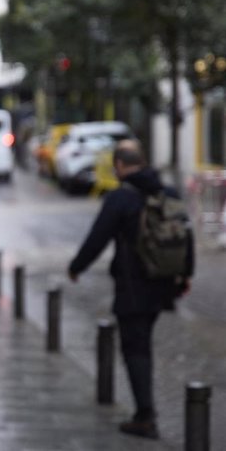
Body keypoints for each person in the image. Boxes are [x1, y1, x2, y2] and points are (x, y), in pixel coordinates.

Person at [67, 140, 193, 440]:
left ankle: (145, 416)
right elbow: (184, 234)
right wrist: (185, 275)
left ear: (120, 166)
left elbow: (97, 238)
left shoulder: (120, 198)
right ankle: (145, 410)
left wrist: (76, 267)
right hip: (163, 283)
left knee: (135, 349)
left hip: (132, 287)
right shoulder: (167, 193)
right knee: (143, 344)